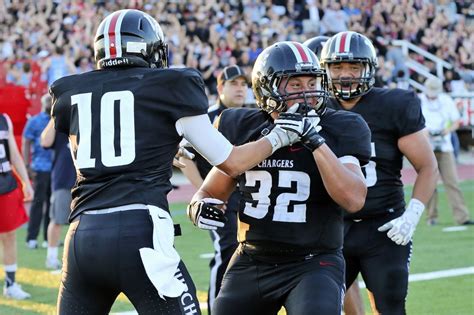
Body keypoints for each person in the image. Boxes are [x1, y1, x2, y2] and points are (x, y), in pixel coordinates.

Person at [50, 9, 299, 315]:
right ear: (149, 49)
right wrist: (280, 136)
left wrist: (163, 145)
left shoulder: (71, 91)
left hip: (81, 235)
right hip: (138, 230)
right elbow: (232, 162)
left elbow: (116, 144)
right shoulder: (169, 85)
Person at [187, 41, 371, 315]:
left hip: (314, 263)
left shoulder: (340, 126)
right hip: (252, 259)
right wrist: (199, 208)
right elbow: (208, 192)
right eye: (295, 85)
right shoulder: (244, 126)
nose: (307, 93)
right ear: (266, 88)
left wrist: (315, 142)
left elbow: (354, 199)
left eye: (312, 83)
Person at [319, 31, 438, 314]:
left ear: (369, 68)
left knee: (390, 307)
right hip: (331, 227)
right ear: (325, 69)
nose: (345, 74)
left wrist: (412, 215)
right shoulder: (316, 109)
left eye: (353, 66)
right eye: (337, 66)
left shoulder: (395, 104)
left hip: (384, 227)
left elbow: (428, 165)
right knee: (320, 307)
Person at [179, 65, 248, 313]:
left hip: (248, 197)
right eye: (234, 84)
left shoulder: (253, 115)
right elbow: (184, 157)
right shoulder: (206, 117)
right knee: (226, 250)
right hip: (220, 199)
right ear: (220, 87)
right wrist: (207, 195)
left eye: (243, 84)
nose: (240, 89)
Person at [419, 77, 473, 226]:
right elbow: (415, 124)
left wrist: (446, 131)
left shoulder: (446, 100)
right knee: (429, 184)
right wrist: (425, 133)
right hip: (426, 147)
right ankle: (431, 217)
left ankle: (462, 217)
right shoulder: (419, 101)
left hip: (445, 145)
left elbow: (456, 121)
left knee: (453, 182)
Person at [0, 113, 34, 299]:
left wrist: (26, 182)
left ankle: (11, 284)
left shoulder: (4, 119)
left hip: (5, 184)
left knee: (9, 236)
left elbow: (13, 154)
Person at [40, 119, 76, 269]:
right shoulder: (61, 123)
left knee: (85, 222)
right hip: (63, 179)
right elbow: (45, 142)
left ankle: (77, 260)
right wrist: (55, 114)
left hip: (87, 181)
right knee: (57, 220)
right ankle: (52, 257)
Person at [22, 94, 53, 249]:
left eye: (51, 100)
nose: (50, 102)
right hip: (40, 168)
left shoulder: (58, 121)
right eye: (47, 100)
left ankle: (48, 239)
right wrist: (27, 166)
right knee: (38, 204)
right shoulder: (34, 121)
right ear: (42, 103)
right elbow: (26, 143)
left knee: (51, 204)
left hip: (55, 169)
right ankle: (31, 238)